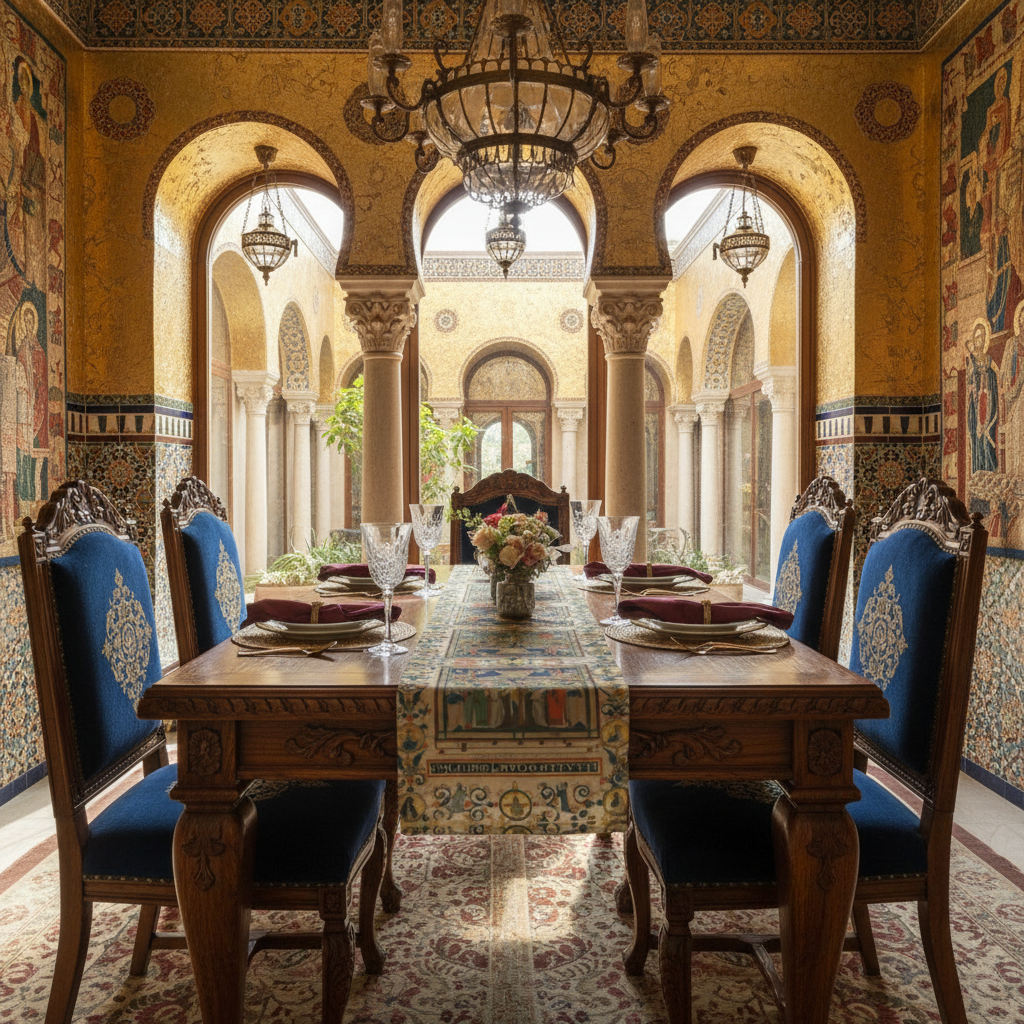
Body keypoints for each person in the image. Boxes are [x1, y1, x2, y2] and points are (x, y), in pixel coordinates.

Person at [966, 318, 1000, 474]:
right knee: (977, 441)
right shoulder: (971, 363)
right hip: (976, 408)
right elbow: (969, 383)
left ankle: (990, 471)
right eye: (976, 337)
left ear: (985, 339)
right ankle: (977, 472)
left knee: (988, 441)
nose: (978, 340)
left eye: (981, 337)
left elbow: (995, 379)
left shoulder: (990, 364)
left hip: (988, 406)